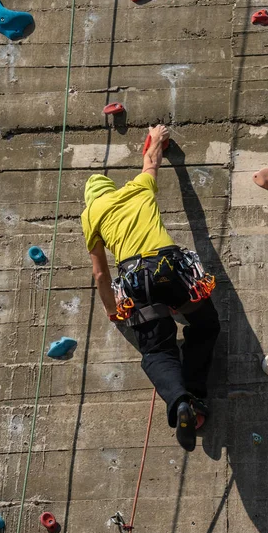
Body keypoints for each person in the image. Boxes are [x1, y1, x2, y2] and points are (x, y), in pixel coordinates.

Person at [81, 125, 220, 452]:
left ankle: (181, 401)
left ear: (91, 200)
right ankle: (196, 392)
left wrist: (113, 310)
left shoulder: (91, 215)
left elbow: (100, 274)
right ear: (111, 188)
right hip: (171, 268)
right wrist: (158, 136)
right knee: (205, 324)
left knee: (158, 350)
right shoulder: (136, 189)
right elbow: (151, 160)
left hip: (135, 278)